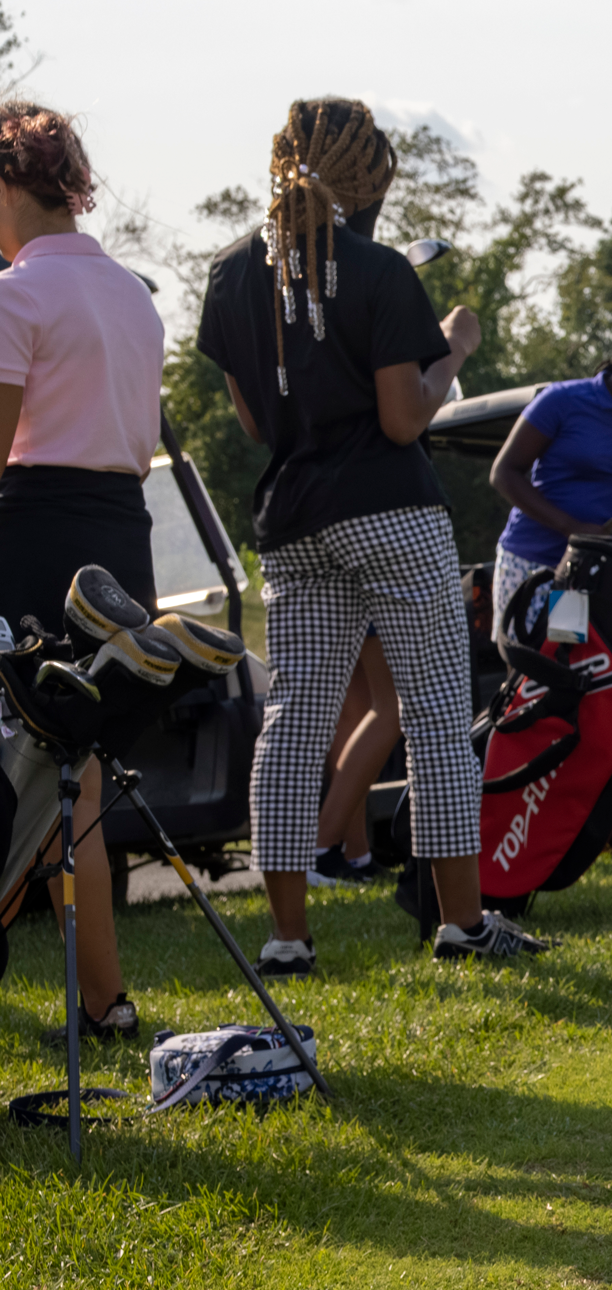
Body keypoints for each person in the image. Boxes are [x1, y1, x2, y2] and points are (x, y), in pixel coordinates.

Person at [196, 95, 552, 967]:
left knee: (296, 721)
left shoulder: (232, 273)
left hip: (294, 522)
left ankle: (286, 938)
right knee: (434, 715)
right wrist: (452, 350)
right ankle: (463, 926)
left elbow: (254, 424)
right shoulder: (383, 269)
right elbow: (403, 419)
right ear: (366, 181)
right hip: (391, 513)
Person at [0, 98, 166, 1040]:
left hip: (36, 536)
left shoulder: (16, 293)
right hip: (120, 536)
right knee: (80, 781)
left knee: (37, 778)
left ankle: (102, 1001)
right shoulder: (131, 293)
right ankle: (105, 1002)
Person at [485, 315, 612, 651]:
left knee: (569, 670)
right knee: (525, 675)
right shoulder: (562, 401)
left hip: (586, 572)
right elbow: (504, 473)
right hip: (531, 560)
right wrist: (572, 527)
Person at [308, 630, 396, 886]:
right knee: (391, 706)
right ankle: (323, 846)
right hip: (369, 592)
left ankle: (355, 852)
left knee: (358, 707)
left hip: (344, 594)